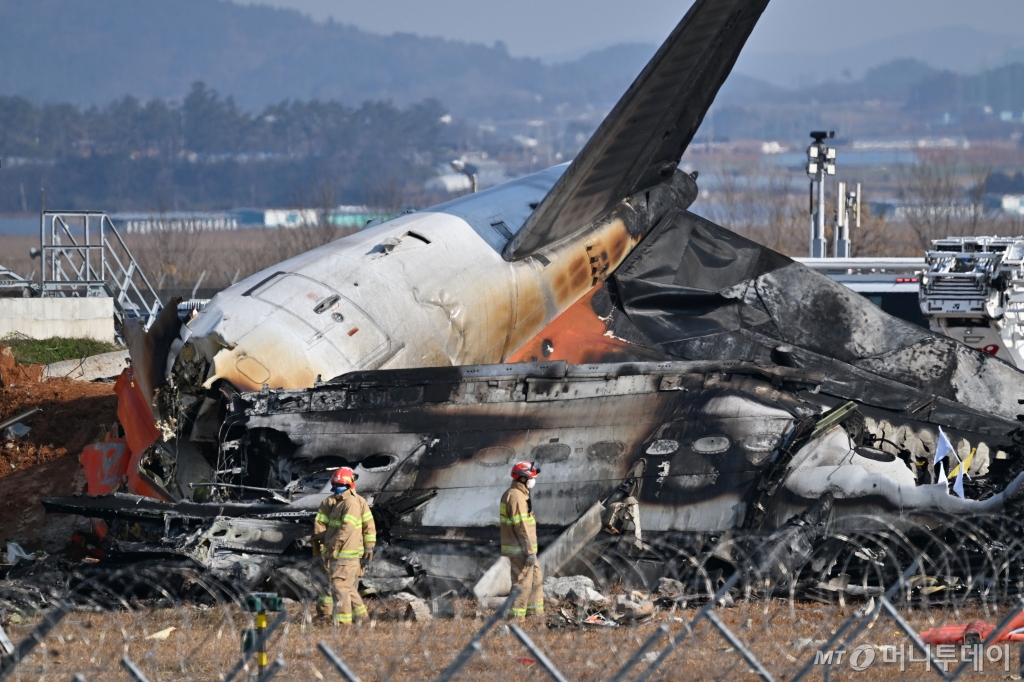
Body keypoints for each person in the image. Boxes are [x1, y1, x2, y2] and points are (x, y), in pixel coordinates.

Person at [312, 466, 376, 624]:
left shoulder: (354, 503)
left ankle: (343, 623)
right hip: (333, 553)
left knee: (341, 586)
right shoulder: (330, 503)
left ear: (349, 484)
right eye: (335, 484)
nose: (336, 488)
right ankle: (334, 615)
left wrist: (369, 546)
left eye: (339, 485)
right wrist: (320, 547)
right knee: (342, 587)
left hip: (345, 553)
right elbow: (321, 528)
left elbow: (365, 526)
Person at [500, 461, 543, 618]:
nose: (533, 481)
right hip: (521, 549)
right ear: (523, 478)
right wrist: (529, 551)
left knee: (536, 579)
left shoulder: (521, 494)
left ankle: (534, 614)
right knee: (522, 583)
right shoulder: (516, 497)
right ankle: (515, 618)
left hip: (525, 548)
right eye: (531, 478)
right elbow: (522, 527)